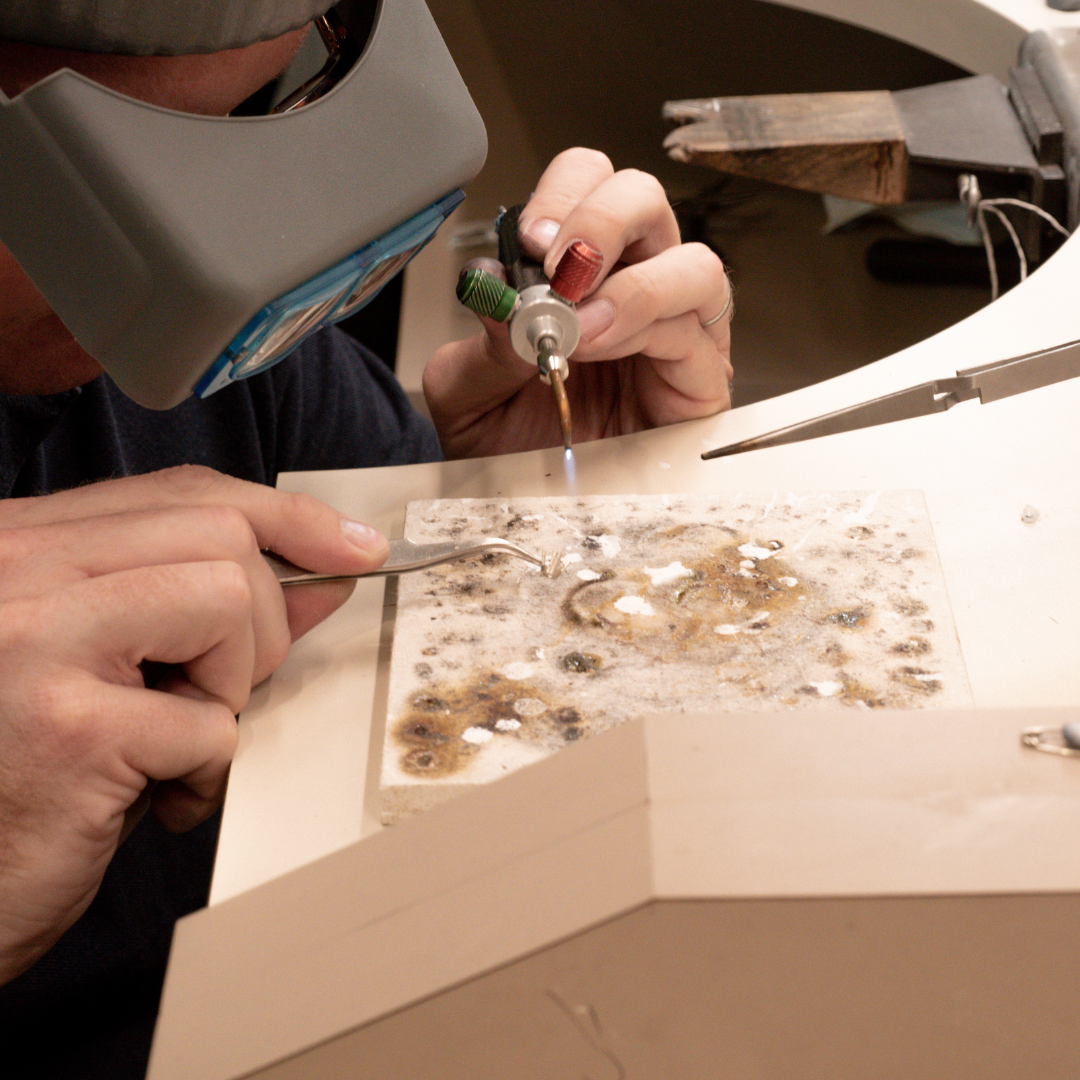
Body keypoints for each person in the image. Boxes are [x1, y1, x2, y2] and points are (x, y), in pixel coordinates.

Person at [0, 9, 733, 1076]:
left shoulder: (213, 364)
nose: (234, 249)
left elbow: (406, 662)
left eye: (264, 107)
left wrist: (533, 500)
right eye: (109, 181)